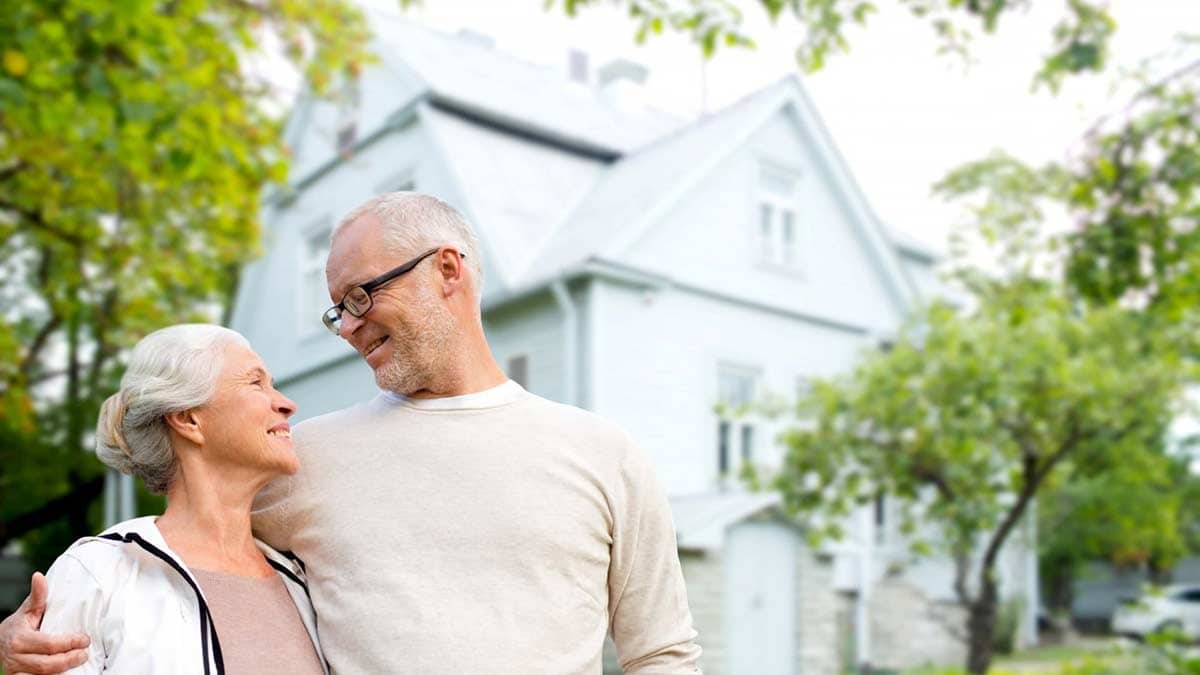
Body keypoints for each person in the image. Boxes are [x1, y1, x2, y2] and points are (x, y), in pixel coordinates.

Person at [1, 193, 701, 674]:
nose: (351, 327)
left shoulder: (605, 456)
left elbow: (662, 653)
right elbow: (188, 531)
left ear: (447, 270)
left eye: (363, 295)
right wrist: (14, 644)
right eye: (338, 310)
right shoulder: (303, 461)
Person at [2, 324, 325, 674]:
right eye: (256, 382)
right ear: (188, 419)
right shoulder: (98, 574)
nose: (287, 403)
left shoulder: (303, 580)